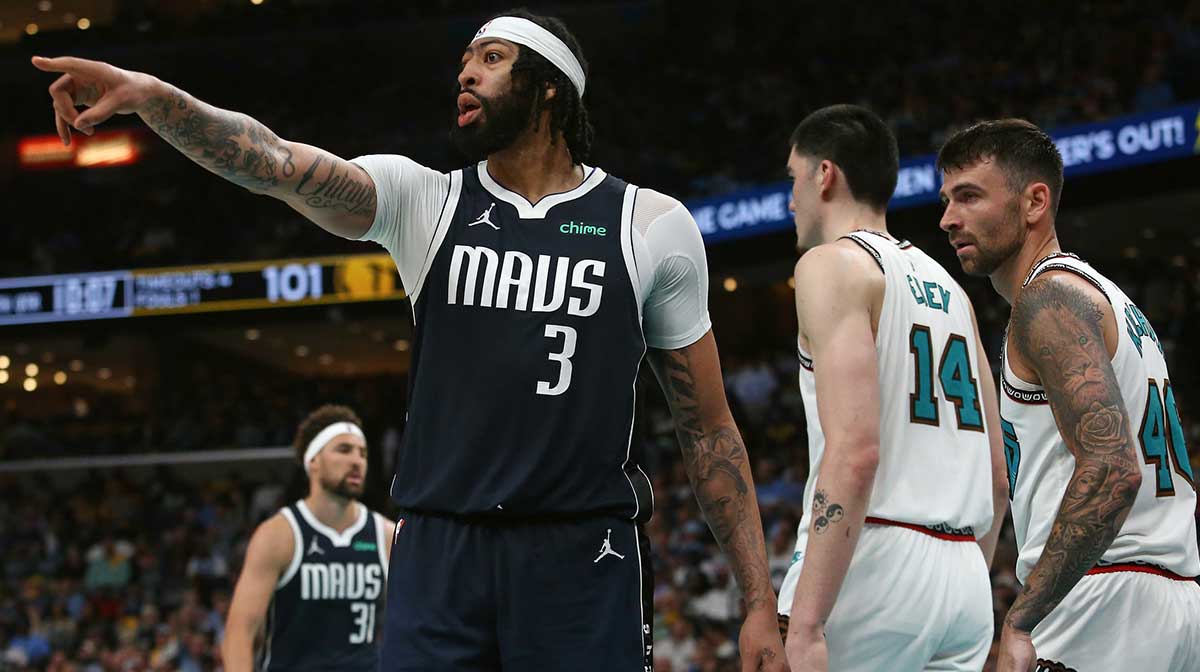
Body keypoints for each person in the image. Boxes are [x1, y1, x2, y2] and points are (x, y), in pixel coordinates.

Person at [32, 9, 785, 670]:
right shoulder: (424, 200)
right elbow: (274, 163)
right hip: (439, 555)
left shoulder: (652, 225)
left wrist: (757, 601)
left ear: (550, 85)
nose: (465, 71)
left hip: (581, 557)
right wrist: (157, 99)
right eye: (464, 58)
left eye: (491, 58)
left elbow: (709, 429)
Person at [937, 119, 1200, 672]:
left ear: (1035, 201)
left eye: (969, 197)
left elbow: (1111, 468)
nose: (948, 219)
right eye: (946, 200)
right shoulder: (1106, 297)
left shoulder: (1049, 299)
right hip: (1169, 598)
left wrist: (1022, 616)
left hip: (1102, 601)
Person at [776, 105, 1007, 672]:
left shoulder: (830, 266)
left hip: (874, 561)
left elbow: (854, 453)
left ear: (824, 175)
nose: (790, 199)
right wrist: (963, 570)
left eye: (793, 179)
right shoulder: (951, 290)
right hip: (965, 575)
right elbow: (999, 472)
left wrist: (804, 624)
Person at [222, 405, 392, 671]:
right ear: (313, 461)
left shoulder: (385, 535)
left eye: (363, 453)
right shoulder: (279, 535)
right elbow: (240, 631)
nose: (357, 461)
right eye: (344, 450)